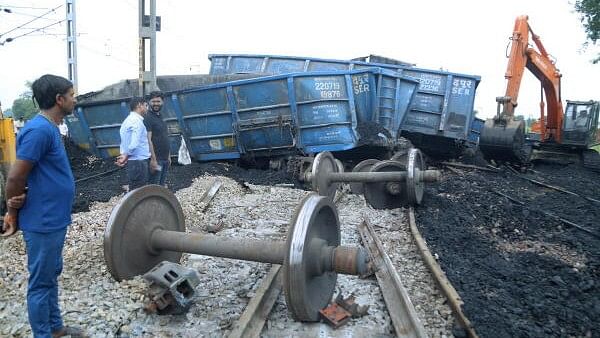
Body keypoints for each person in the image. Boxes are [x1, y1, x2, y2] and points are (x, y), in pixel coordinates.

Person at [1, 74, 85, 337]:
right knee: (40, 282)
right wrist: (12, 212)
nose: (75, 99)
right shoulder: (38, 130)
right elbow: (15, 176)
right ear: (59, 99)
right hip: (43, 220)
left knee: (50, 274)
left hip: (53, 218)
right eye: (72, 95)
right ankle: (43, 333)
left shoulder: (50, 127)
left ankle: (55, 327)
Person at [116, 97, 150, 191]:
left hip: (134, 162)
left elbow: (124, 142)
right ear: (139, 105)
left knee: (135, 190)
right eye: (146, 105)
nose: (147, 108)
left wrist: (124, 155)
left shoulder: (128, 120)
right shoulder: (136, 121)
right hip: (139, 162)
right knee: (139, 192)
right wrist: (126, 155)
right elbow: (134, 144)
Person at [145, 91, 171, 186]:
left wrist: (168, 156)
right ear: (149, 102)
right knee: (154, 187)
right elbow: (148, 140)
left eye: (158, 101)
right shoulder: (148, 117)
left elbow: (164, 136)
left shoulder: (161, 117)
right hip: (157, 160)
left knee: (161, 186)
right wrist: (153, 160)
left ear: (162, 102)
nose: (156, 103)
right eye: (153, 101)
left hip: (164, 160)